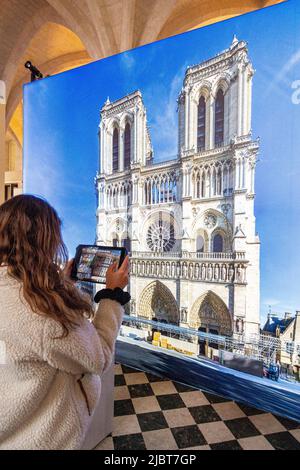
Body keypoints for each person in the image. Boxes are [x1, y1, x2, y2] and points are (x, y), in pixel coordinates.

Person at [0, 195, 130, 450]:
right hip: (39, 439)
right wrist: (112, 295)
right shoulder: (44, 314)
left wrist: (59, 284)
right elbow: (98, 356)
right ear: (44, 242)